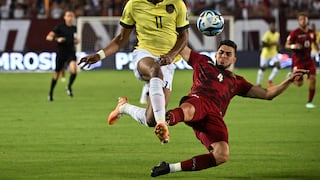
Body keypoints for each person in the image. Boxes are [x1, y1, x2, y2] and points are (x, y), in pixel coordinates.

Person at [150, 40, 308, 177]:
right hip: (198, 101)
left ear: (234, 59)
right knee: (191, 108)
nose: (223, 56)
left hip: (214, 117)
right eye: (221, 52)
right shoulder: (202, 62)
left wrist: (289, 80)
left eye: (228, 54)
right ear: (216, 54)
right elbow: (182, 48)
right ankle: (164, 121)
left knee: (221, 155)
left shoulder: (237, 81)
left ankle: (169, 168)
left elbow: (267, 94)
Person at [78, 0, 189, 143]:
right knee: (155, 70)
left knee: (150, 119)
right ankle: (162, 123)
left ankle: (123, 108)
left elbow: (184, 36)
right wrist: (99, 55)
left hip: (167, 61)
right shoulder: (133, 4)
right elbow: (121, 38)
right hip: (144, 55)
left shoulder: (177, 3)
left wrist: (172, 55)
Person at [285, 12, 318, 108]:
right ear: (298, 21)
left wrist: (318, 50)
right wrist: (293, 45)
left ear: (307, 20)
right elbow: (286, 45)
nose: (303, 21)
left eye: (305, 19)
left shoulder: (312, 32)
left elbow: (315, 43)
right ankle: (292, 75)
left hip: (308, 60)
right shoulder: (294, 33)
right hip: (298, 60)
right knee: (299, 84)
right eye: (301, 19)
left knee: (313, 79)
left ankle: (309, 102)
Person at [46, 10, 79, 101]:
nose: (70, 17)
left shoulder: (74, 28)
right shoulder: (59, 27)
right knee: (56, 74)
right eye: (68, 15)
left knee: (74, 70)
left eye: (71, 16)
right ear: (64, 17)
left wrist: (76, 41)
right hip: (61, 53)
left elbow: (75, 39)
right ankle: (51, 93)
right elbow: (48, 37)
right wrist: (57, 39)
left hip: (71, 53)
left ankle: (68, 87)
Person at [256, 21, 280, 87]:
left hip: (273, 53)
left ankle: (269, 80)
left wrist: (278, 47)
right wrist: (271, 44)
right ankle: (258, 83)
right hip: (265, 54)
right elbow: (262, 44)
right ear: (269, 28)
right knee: (263, 68)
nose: (272, 28)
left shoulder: (277, 34)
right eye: (271, 27)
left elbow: (276, 44)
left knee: (278, 66)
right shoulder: (267, 34)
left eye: (273, 26)